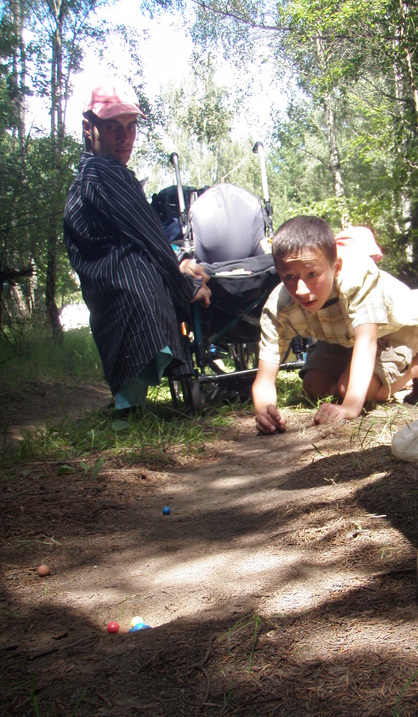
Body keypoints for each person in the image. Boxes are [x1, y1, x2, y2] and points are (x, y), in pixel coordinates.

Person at [63, 82, 211, 411]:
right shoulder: (106, 172)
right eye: (112, 127)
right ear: (89, 128)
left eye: (131, 127)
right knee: (152, 334)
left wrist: (179, 261)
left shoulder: (84, 178)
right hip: (132, 289)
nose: (125, 137)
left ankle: (127, 405)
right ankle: (128, 407)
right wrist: (187, 287)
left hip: (107, 294)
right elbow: (150, 237)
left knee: (131, 386)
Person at [252, 215, 418, 433]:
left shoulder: (357, 277)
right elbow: (264, 378)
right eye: (290, 277)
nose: (301, 289)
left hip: (395, 331)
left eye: (312, 274)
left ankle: (413, 368)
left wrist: (350, 407)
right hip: (342, 338)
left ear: (336, 267)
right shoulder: (278, 306)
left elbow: (367, 340)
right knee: (314, 387)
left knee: (350, 390)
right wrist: (265, 411)